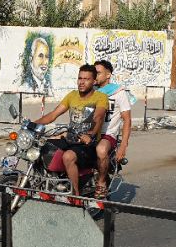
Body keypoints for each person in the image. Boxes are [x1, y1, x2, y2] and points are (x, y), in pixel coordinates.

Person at [34, 64, 109, 195]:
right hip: (70, 139)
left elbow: (98, 117)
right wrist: (32, 124)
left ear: (94, 81)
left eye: (86, 79)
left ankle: (75, 194)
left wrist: (90, 134)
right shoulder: (72, 95)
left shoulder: (100, 97)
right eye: (80, 78)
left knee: (68, 156)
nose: (82, 82)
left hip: (87, 144)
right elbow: (53, 115)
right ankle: (47, 181)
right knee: (41, 147)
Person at [93, 60, 131, 200]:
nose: (95, 75)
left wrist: (123, 146)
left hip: (107, 135)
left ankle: (102, 182)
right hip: (90, 132)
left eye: (98, 73)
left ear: (108, 75)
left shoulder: (118, 93)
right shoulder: (91, 90)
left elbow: (127, 120)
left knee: (101, 150)